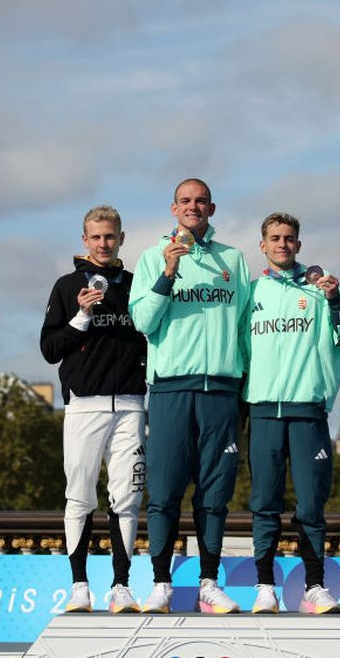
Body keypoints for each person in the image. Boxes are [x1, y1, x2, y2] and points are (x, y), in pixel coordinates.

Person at [128, 178, 250, 614]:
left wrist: (245, 388)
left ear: (211, 209)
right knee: (163, 492)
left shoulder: (233, 260)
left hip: (220, 390)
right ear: (173, 209)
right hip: (171, 388)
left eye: (200, 202)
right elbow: (143, 321)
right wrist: (167, 273)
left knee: (215, 495)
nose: (193, 207)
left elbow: (242, 331)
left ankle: (208, 583)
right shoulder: (149, 258)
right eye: (185, 201)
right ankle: (161, 583)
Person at [243, 212, 340, 615]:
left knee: (311, 504)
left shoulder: (321, 287)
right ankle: (265, 587)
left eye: (289, 238)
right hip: (262, 410)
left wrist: (334, 299)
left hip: (308, 410)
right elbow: (239, 351)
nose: (282, 244)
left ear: (299, 245)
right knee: (264, 502)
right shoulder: (251, 292)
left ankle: (315, 585)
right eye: (275, 238)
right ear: (263, 245)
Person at [40, 205, 148, 614]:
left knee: (128, 496)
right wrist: (82, 316)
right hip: (85, 405)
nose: (104, 244)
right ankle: (80, 586)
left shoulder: (137, 287)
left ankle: (121, 585)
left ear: (122, 237)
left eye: (111, 236)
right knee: (79, 496)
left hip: (132, 406)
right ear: (84, 240)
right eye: (96, 237)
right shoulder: (67, 287)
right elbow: (49, 350)